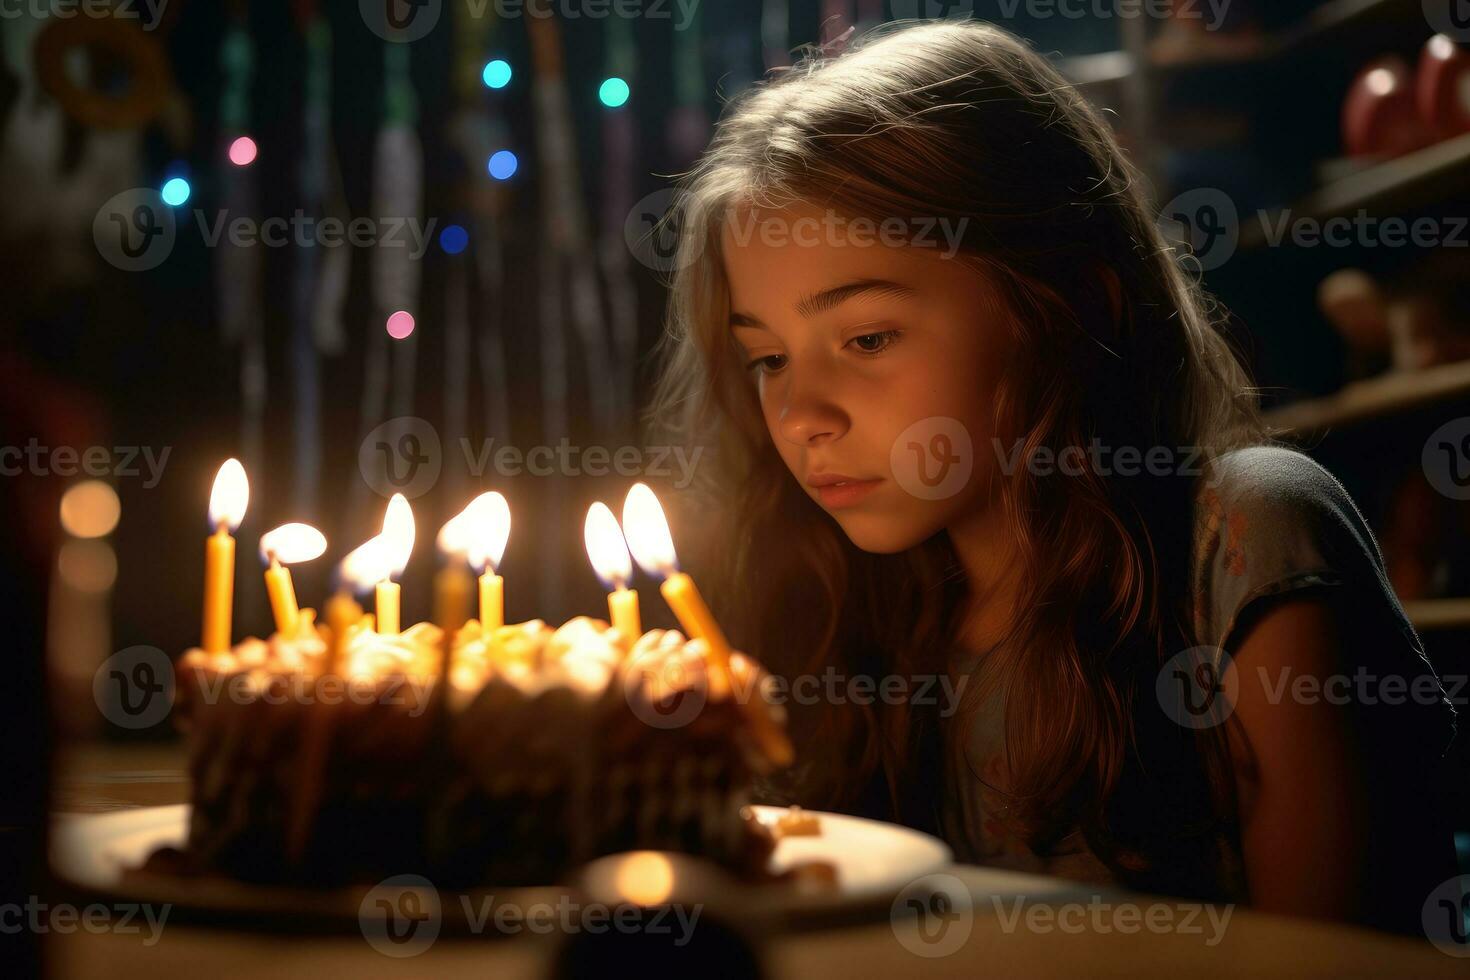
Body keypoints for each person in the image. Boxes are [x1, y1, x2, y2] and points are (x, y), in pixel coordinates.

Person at [646, 19, 1459, 934]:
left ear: (1067, 300)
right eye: (767, 360)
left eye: (867, 338)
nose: (800, 416)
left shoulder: (1242, 545)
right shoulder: (840, 614)